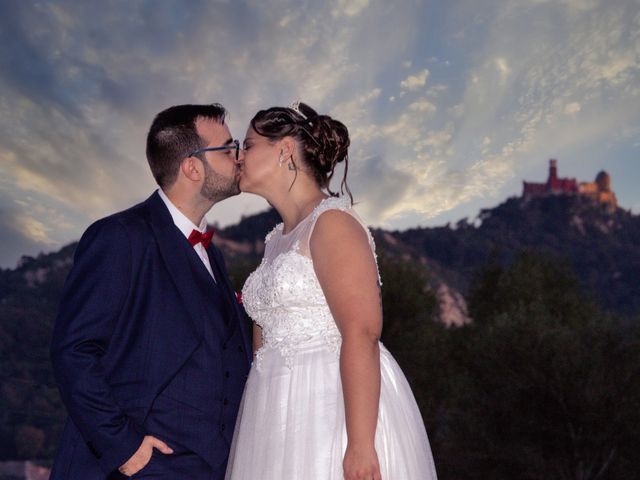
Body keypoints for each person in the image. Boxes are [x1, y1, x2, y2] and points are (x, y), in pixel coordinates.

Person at [225, 102, 437, 480]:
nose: (239, 155)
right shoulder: (275, 241)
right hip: (274, 413)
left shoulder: (332, 223)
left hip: (330, 405)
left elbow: (363, 331)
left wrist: (359, 444)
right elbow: (263, 341)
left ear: (284, 150)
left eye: (249, 144)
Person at [49, 104, 251, 480]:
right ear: (192, 167)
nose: (239, 156)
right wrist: (123, 447)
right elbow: (73, 350)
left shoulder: (213, 255)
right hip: (142, 465)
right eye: (227, 148)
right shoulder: (120, 236)